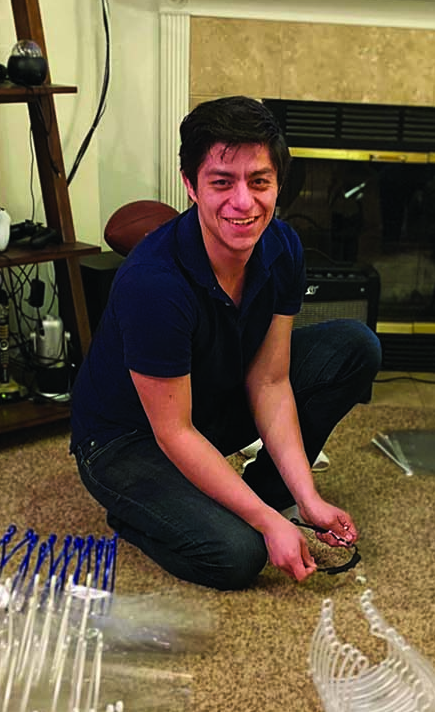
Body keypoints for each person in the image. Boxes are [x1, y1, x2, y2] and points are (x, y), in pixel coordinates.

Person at [70, 96, 382, 590]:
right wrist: (263, 524)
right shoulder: (153, 284)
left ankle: (255, 500)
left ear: (279, 183)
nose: (244, 202)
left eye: (259, 182)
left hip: (207, 404)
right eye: (222, 182)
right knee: (238, 556)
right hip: (125, 441)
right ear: (191, 185)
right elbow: (174, 432)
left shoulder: (282, 247)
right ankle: (137, 514)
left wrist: (306, 499)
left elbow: (271, 379)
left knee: (354, 346)